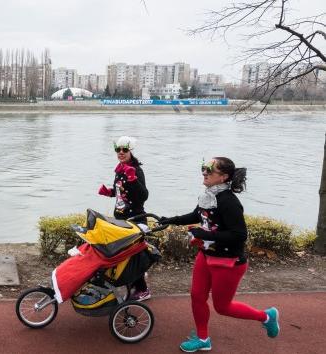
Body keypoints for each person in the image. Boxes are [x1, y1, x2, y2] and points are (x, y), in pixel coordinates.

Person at [159, 157, 279, 352]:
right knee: (197, 296)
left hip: (228, 262)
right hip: (206, 255)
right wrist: (171, 220)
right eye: (203, 168)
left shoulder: (229, 202)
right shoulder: (209, 196)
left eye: (209, 170)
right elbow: (197, 215)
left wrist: (206, 234)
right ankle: (203, 338)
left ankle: (266, 317)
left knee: (222, 307)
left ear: (223, 177)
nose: (204, 172)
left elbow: (239, 235)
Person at [98, 136, 151, 301]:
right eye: (118, 150)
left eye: (124, 150)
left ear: (131, 151)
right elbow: (121, 191)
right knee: (123, 255)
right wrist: (109, 192)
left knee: (132, 257)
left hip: (135, 219)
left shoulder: (135, 170)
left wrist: (133, 179)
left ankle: (143, 290)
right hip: (121, 219)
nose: (121, 153)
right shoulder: (120, 169)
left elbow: (143, 196)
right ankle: (132, 284)